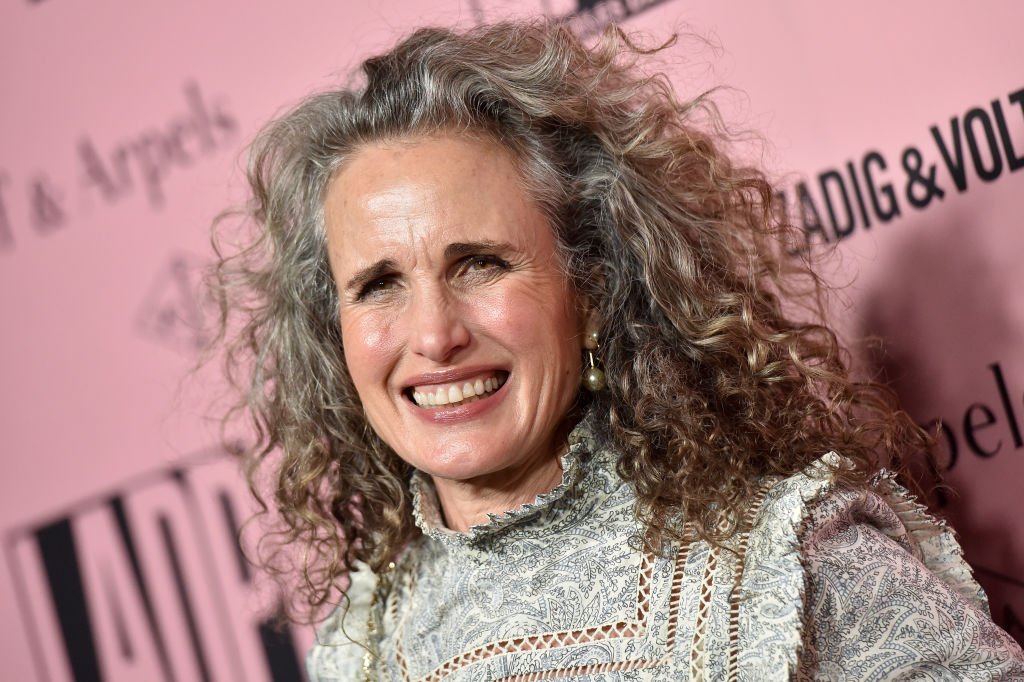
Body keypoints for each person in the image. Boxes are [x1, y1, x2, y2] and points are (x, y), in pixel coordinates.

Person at [211, 20, 1024, 681]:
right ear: (335, 334)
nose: (433, 335)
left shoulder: (790, 563)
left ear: (593, 291)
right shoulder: (359, 650)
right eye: (379, 283)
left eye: (481, 264)